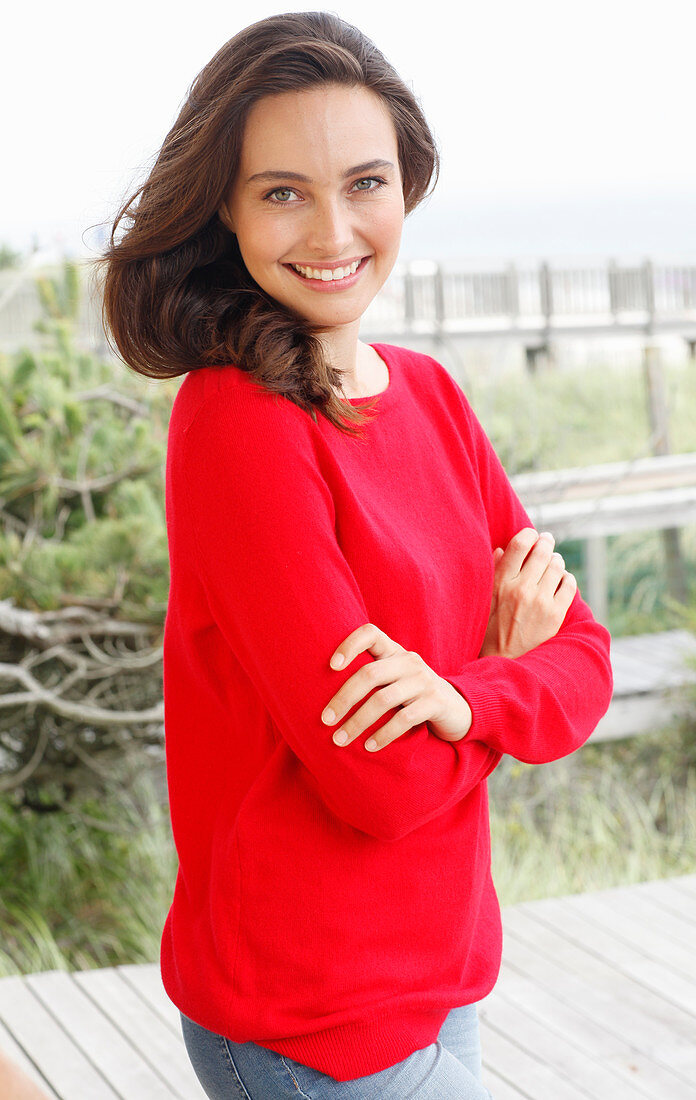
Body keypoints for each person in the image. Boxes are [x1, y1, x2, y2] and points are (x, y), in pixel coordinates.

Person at [93, 11, 613, 1098]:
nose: (332, 228)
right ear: (224, 207)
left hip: (443, 977)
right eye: (283, 190)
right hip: (309, 1019)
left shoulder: (428, 394)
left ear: (406, 187)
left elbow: (585, 655)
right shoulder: (237, 422)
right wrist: (500, 684)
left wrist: (462, 698)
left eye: (365, 182)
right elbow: (376, 777)